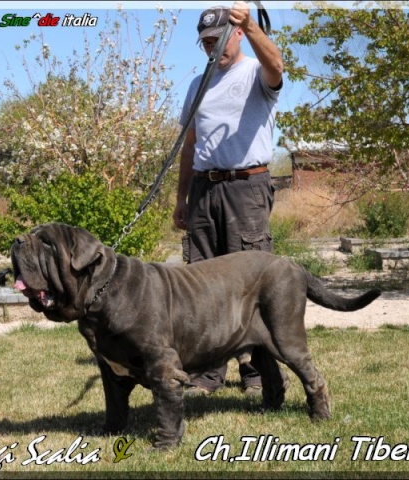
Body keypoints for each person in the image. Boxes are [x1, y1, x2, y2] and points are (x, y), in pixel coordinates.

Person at [172, 2, 285, 397]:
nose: (211, 48)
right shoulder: (197, 83)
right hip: (205, 189)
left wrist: (253, 26)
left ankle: (258, 375)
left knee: (251, 283)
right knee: (202, 284)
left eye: (217, 39)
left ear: (236, 34)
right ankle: (207, 374)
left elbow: (277, 67)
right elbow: (190, 145)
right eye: (204, 42)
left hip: (246, 188)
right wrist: (182, 198)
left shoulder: (255, 72)